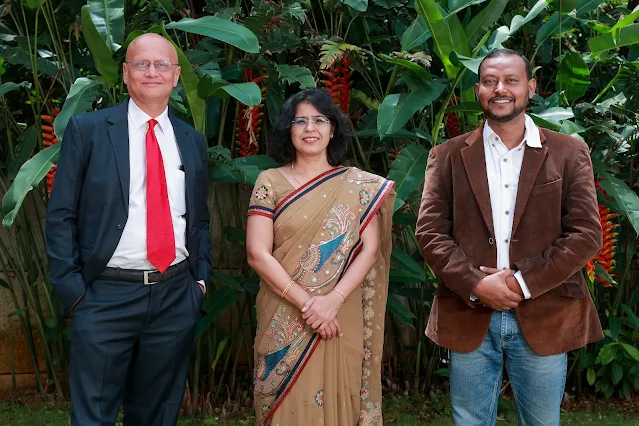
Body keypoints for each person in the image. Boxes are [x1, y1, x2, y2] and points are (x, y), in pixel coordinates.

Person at [415, 48, 603, 426]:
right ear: (478, 90)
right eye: (489, 81)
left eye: (511, 81)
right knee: (468, 421)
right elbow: (430, 232)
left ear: (530, 87)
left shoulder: (568, 152)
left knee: (541, 422)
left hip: (546, 312)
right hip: (469, 312)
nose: (500, 89)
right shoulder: (448, 155)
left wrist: (522, 283)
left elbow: (585, 234)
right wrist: (476, 283)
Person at [45, 33, 211, 426]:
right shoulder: (88, 130)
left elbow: (199, 219)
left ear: (175, 77)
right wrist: (74, 292)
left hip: (174, 295)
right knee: (93, 416)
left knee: (157, 415)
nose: (151, 72)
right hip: (104, 296)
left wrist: (199, 283)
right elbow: (60, 214)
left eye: (162, 65)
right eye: (141, 64)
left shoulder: (191, 139)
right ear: (125, 74)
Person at [246, 88, 395, 426]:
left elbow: (369, 250)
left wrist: (332, 301)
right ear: (289, 129)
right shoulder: (269, 181)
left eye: (319, 120)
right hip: (283, 307)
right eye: (300, 121)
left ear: (333, 129)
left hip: (341, 311)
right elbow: (257, 253)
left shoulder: (357, 185)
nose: (310, 128)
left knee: (340, 396)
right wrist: (310, 305)